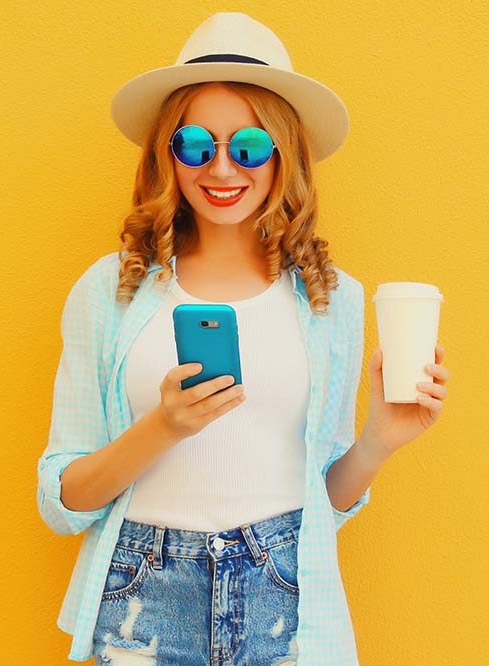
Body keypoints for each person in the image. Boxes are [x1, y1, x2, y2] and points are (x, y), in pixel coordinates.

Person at [36, 12, 450, 665]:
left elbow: (325, 501)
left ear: (283, 154)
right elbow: (64, 501)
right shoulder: (110, 291)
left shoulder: (331, 298)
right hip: (147, 597)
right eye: (197, 144)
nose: (223, 168)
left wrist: (379, 441)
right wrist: (163, 427)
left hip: (285, 593)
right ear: (166, 156)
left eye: (250, 147)